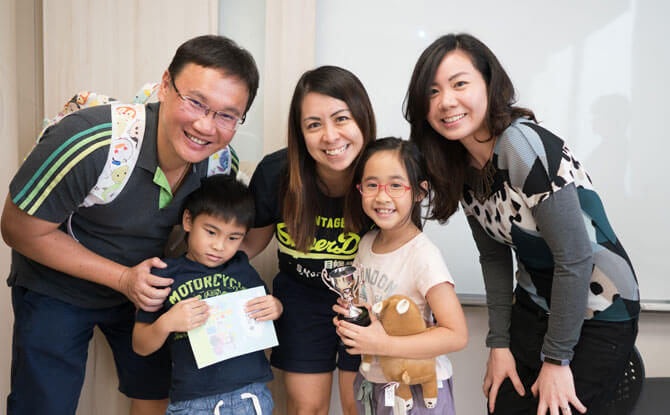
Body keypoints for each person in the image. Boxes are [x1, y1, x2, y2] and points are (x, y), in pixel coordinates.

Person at [1, 35, 259, 414]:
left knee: (158, 394)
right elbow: (17, 228)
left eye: (227, 115)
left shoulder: (221, 165)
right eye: (195, 102)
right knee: (44, 403)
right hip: (57, 285)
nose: (206, 126)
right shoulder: (91, 139)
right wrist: (123, 278)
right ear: (166, 85)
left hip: (146, 292)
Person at [404, 33, 640, 415]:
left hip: (600, 310)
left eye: (459, 83)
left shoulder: (520, 145)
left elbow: (575, 258)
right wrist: (499, 345)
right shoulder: (460, 165)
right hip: (535, 306)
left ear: (489, 84)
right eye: (431, 91)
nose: (446, 101)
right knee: (502, 404)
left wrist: (557, 360)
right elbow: (495, 260)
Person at [242, 65, 376, 415]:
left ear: (362, 117)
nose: (330, 136)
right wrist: (191, 266)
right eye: (314, 125)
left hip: (369, 301)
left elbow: (404, 249)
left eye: (341, 118)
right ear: (300, 133)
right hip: (299, 301)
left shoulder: (387, 171)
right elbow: (248, 246)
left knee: (359, 408)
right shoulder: (276, 173)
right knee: (306, 408)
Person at [334, 137, 468, 415]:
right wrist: (354, 319)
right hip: (376, 384)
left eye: (396, 185)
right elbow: (372, 309)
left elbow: (456, 335)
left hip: (419, 388)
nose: (382, 196)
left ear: (419, 192)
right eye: (372, 185)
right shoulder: (365, 244)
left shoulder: (423, 255)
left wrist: (383, 344)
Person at [132, 175, 282, 415]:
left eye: (233, 238)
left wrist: (275, 307)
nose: (220, 246)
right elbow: (140, 345)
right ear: (188, 220)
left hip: (250, 396)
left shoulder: (242, 268)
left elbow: (267, 310)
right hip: (193, 403)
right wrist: (167, 322)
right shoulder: (163, 275)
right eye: (211, 232)